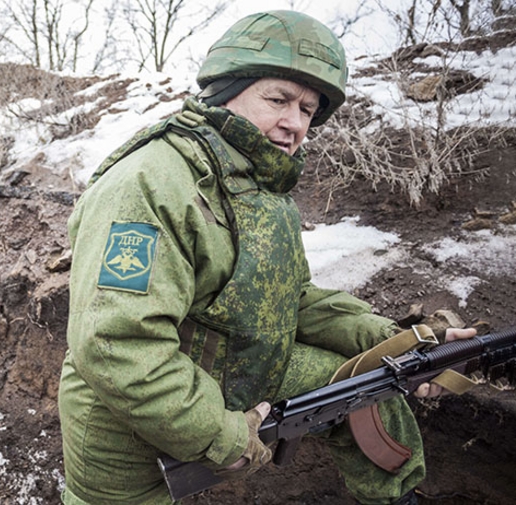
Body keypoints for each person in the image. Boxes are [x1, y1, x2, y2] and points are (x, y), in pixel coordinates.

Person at [57, 10, 476, 505]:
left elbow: (290, 300)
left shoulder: (262, 188)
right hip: (125, 425)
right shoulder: (150, 182)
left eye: (308, 109)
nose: (293, 123)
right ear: (225, 89)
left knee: (371, 392)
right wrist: (221, 436)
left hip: (234, 370)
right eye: (278, 99)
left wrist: (398, 343)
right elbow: (117, 345)